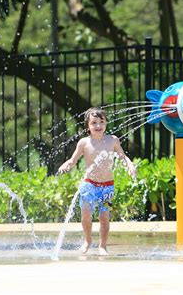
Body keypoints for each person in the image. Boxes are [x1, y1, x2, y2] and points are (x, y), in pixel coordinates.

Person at [58, 107, 136, 256]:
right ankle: (87, 241)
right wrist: (67, 164)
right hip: (89, 184)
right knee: (86, 214)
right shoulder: (84, 143)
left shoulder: (112, 140)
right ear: (87, 126)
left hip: (107, 187)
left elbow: (122, 156)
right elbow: (73, 160)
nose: (98, 126)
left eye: (102, 122)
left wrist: (130, 165)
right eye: (94, 123)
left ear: (106, 123)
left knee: (104, 217)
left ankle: (103, 246)